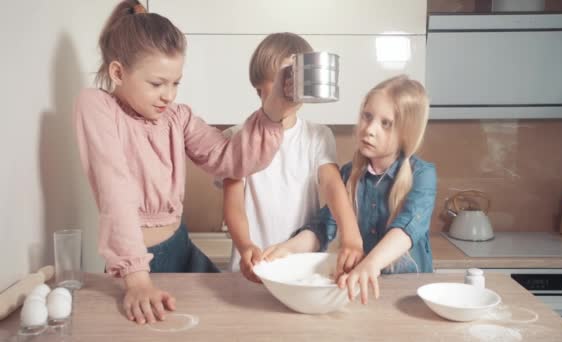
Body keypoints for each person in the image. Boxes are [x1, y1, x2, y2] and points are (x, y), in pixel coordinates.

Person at [74, 1, 296, 325]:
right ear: (118, 72)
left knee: (232, 322)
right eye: (157, 83)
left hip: (182, 246)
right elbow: (114, 190)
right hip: (138, 265)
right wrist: (136, 280)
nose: (169, 95)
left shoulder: (178, 117)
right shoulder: (97, 108)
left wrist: (274, 109)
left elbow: (230, 159)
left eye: (175, 83)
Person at [263, 75, 437, 304]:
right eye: (367, 116)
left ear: (407, 134)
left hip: (408, 295)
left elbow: (405, 231)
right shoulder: (349, 174)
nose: (370, 129)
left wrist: (370, 264)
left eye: (386, 123)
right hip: (362, 291)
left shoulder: (422, 175)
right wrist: (289, 249)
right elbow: (325, 225)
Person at [222, 33, 364, 283]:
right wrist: (245, 246)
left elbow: (332, 185)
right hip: (251, 268)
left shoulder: (318, 136)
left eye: (294, 80)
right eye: (281, 80)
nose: (288, 88)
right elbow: (233, 205)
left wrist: (351, 235)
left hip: (300, 268)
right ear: (258, 88)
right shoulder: (236, 137)